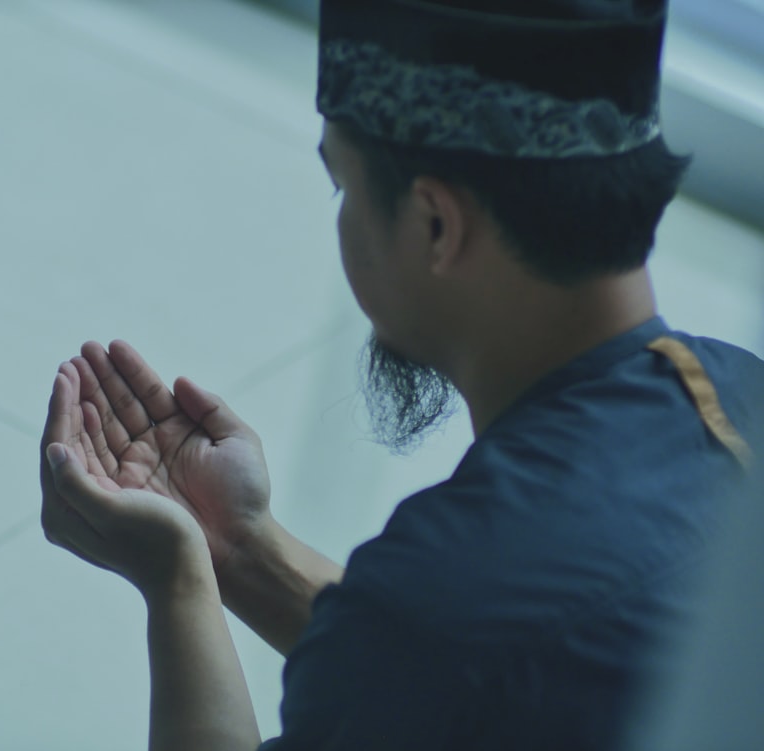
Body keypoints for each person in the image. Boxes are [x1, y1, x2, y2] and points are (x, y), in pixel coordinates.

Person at [39, 1, 764, 749]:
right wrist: (240, 549)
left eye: (342, 187)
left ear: (436, 225)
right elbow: (489, 679)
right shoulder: (742, 392)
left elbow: (450, 645)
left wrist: (177, 576)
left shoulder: (448, 598)